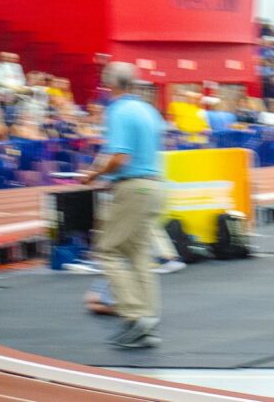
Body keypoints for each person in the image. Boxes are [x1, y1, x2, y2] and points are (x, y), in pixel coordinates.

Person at [81, 62, 166, 349]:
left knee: (108, 251)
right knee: (139, 253)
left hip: (131, 188)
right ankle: (148, 318)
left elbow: (120, 156)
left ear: (110, 85)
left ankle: (134, 314)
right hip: (153, 185)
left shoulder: (118, 111)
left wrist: (94, 174)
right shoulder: (148, 110)